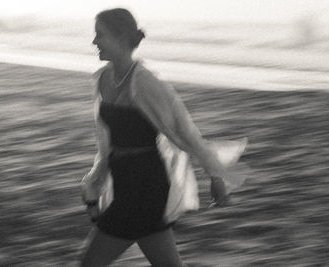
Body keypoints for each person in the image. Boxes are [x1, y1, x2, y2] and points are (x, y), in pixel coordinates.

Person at [80, 8, 247, 266]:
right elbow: (105, 141)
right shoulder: (102, 80)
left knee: (89, 263)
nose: (94, 42)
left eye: (100, 35)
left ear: (122, 38)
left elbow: (185, 131)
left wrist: (215, 175)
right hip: (126, 181)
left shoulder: (145, 83)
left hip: (145, 185)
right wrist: (96, 177)